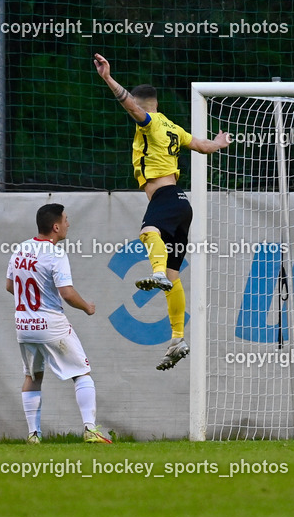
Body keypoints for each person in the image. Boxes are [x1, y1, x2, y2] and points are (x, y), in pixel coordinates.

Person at [94, 54, 230, 370]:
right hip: (183, 206)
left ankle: (155, 271)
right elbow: (200, 145)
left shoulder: (152, 122)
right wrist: (219, 142)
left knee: (148, 233)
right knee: (174, 277)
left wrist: (107, 78)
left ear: (144, 106)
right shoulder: (172, 125)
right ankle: (178, 338)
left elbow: (130, 106)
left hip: (166, 198)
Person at [7, 204, 110, 443]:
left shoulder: (20, 249)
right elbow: (66, 293)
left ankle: (33, 434)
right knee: (82, 373)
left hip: (24, 326)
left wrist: (31, 303)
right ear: (55, 227)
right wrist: (87, 307)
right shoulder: (55, 254)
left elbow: (10, 286)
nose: (68, 224)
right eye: (65, 220)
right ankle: (90, 429)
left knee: (32, 376)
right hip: (51, 324)